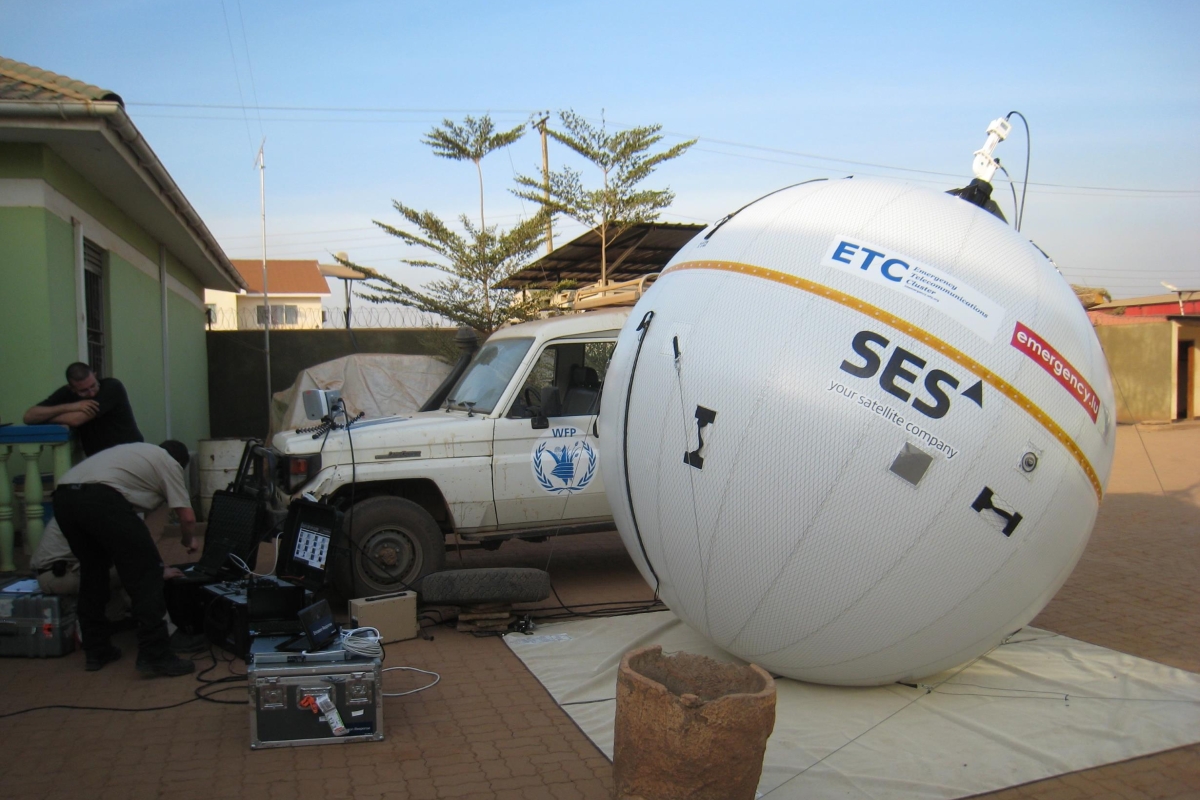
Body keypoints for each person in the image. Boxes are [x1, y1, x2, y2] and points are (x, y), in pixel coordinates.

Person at [53, 440, 198, 677]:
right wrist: (188, 540)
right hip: (101, 498)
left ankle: (96, 649)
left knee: (93, 571)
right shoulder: (169, 463)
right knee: (147, 576)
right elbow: (188, 518)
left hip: (64, 498)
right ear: (180, 463)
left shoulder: (136, 454)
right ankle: (155, 655)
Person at [23, 363, 143, 457]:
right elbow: (29, 416)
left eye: (93, 385)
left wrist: (46, 418)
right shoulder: (66, 393)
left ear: (95, 375)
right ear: (71, 388)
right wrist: (71, 407)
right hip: (99, 458)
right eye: (84, 391)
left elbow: (77, 419)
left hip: (129, 453)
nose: (91, 393)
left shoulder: (111, 387)